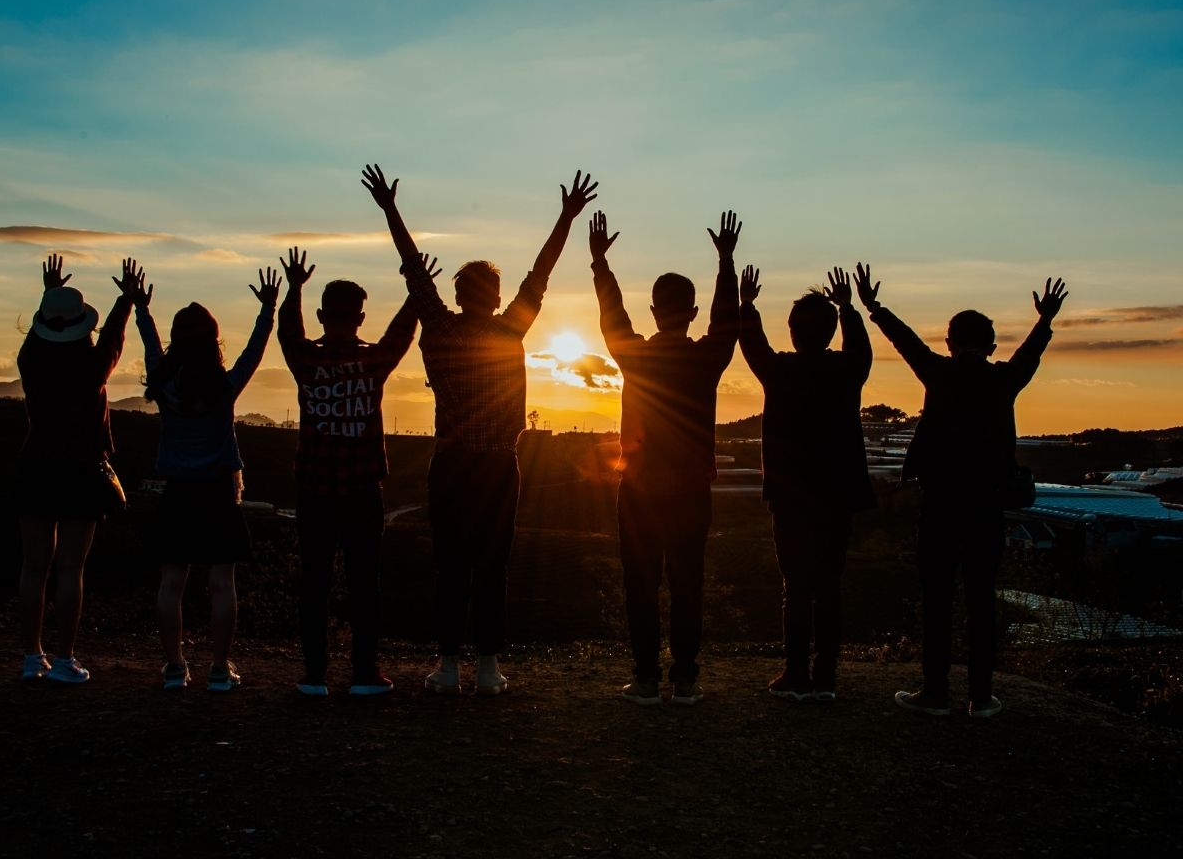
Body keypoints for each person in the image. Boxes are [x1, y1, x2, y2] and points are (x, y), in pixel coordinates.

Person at [363, 163, 598, 697]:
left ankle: (447, 666)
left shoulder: (440, 328)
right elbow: (541, 272)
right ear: (493, 296)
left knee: (450, 566)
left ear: (459, 292)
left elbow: (412, 269)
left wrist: (390, 210)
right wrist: (565, 216)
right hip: (497, 466)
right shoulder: (509, 328)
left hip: (450, 464)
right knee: (493, 566)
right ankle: (488, 667)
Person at [857, 265, 1068, 718]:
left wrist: (875, 307)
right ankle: (981, 694)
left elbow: (906, 341)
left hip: (940, 502)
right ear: (991, 346)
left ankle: (934, 691)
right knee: (981, 598)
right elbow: (1030, 353)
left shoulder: (939, 373)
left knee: (937, 597)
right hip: (987, 504)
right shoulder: (1003, 379)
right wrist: (1045, 319)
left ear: (949, 343)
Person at [589, 208, 741, 706]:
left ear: (654, 311)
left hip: (638, 488)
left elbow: (613, 319)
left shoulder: (636, 355)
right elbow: (728, 323)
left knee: (641, 585)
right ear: (691, 311)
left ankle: (648, 679)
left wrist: (600, 265)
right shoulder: (706, 358)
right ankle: (686, 679)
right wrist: (726, 263)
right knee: (687, 583)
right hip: (692, 490)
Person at [277, 246, 439, 697]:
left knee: (314, 582)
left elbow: (288, 333)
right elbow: (401, 336)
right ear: (361, 317)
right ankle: (364, 673)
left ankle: (313, 674)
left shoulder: (307, 362)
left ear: (322, 314)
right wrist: (415, 291)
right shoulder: (372, 362)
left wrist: (292, 288)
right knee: (365, 583)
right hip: (362, 491)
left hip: (313, 489)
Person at [136, 267, 281, 692]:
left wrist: (142, 308)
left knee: (171, 583)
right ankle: (219, 668)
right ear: (213, 341)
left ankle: (175, 667)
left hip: (178, 492)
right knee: (222, 585)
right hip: (219, 493)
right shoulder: (224, 386)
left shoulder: (164, 384)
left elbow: (149, 345)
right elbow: (254, 353)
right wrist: (267, 310)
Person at [738, 266, 874, 702]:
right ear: (831, 331)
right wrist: (849, 308)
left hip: (791, 497)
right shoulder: (847, 370)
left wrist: (747, 305)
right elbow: (862, 349)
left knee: (795, 587)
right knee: (829, 584)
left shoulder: (780, 372)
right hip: (836, 495)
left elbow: (751, 345)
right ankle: (826, 677)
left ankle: (795, 674)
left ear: (793, 331)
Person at [16, 254, 142, 684]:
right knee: (71, 568)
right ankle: (64, 656)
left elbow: (45, 333)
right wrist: (126, 299)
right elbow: (112, 340)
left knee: (34, 567)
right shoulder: (91, 368)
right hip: (81, 470)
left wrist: (49, 293)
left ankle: (32, 656)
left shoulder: (30, 361)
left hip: (36, 465)